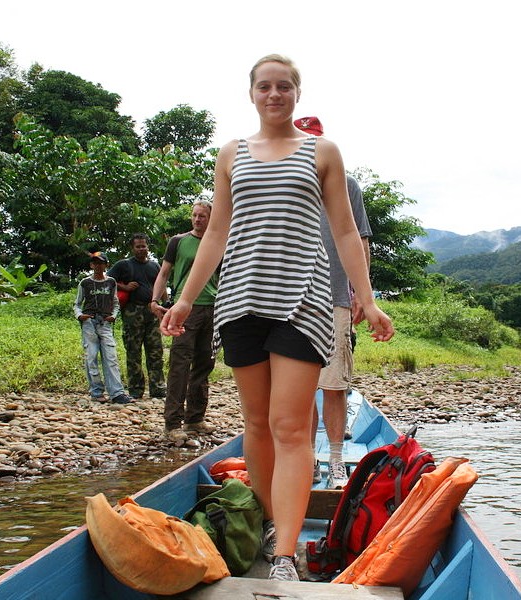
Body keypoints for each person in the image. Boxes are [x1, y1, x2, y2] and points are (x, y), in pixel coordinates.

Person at [160, 54, 394, 582]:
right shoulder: (232, 154)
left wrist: (368, 299)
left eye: (283, 86)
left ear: (296, 94)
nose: (274, 94)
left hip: (302, 301)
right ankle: (267, 525)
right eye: (264, 87)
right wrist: (183, 298)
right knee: (257, 426)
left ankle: (285, 555)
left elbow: (345, 233)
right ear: (252, 94)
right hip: (240, 299)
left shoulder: (322, 152)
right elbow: (216, 234)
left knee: (290, 426)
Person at [294, 116, 371, 490]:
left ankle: (337, 460)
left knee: (335, 384)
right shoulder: (287, 183)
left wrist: (362, 292)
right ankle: (307, 460)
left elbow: (360, 241)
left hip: (336, 295)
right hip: (291, 301)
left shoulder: (347, 185)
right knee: (301, 386)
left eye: (314, 142)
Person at [151, 199, 220, 442]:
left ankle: (195, 419)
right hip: (185, 308)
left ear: (211, 218)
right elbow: (164, 273)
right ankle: (172, 423)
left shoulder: (220, 243)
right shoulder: (178, 242)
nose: (198, 219)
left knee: (204, 363)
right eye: (195, 215)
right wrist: (154, 300)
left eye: (202, 216)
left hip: (212, 308)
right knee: (180, 365)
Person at [108, 233, 166, 400]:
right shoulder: (124, 265)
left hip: (152, 311)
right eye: (138, 246)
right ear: (132, 248)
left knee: (155, 350)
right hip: (133, 312)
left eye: (144, 246)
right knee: (133, 351)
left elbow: (161, 287)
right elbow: (107, 280)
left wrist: (166, 306)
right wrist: (124, 287)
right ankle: (135, 389)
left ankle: (158, 388)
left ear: (148, 247)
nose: (141, 249)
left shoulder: (155, 266)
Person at [73, 251, 133, 405]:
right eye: (95, 263)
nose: (98, 266)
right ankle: (96, 391)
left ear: (106, 265)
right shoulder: (85, 283)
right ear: (91, 265)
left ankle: (117, 393)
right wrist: (80, 316)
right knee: (91, 357)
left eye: (101, 263)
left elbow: (115, 302)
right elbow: (77, 304)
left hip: (105, 323)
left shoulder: (111, 282)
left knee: (110, 357)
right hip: (89, 323)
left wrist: (113, 315)